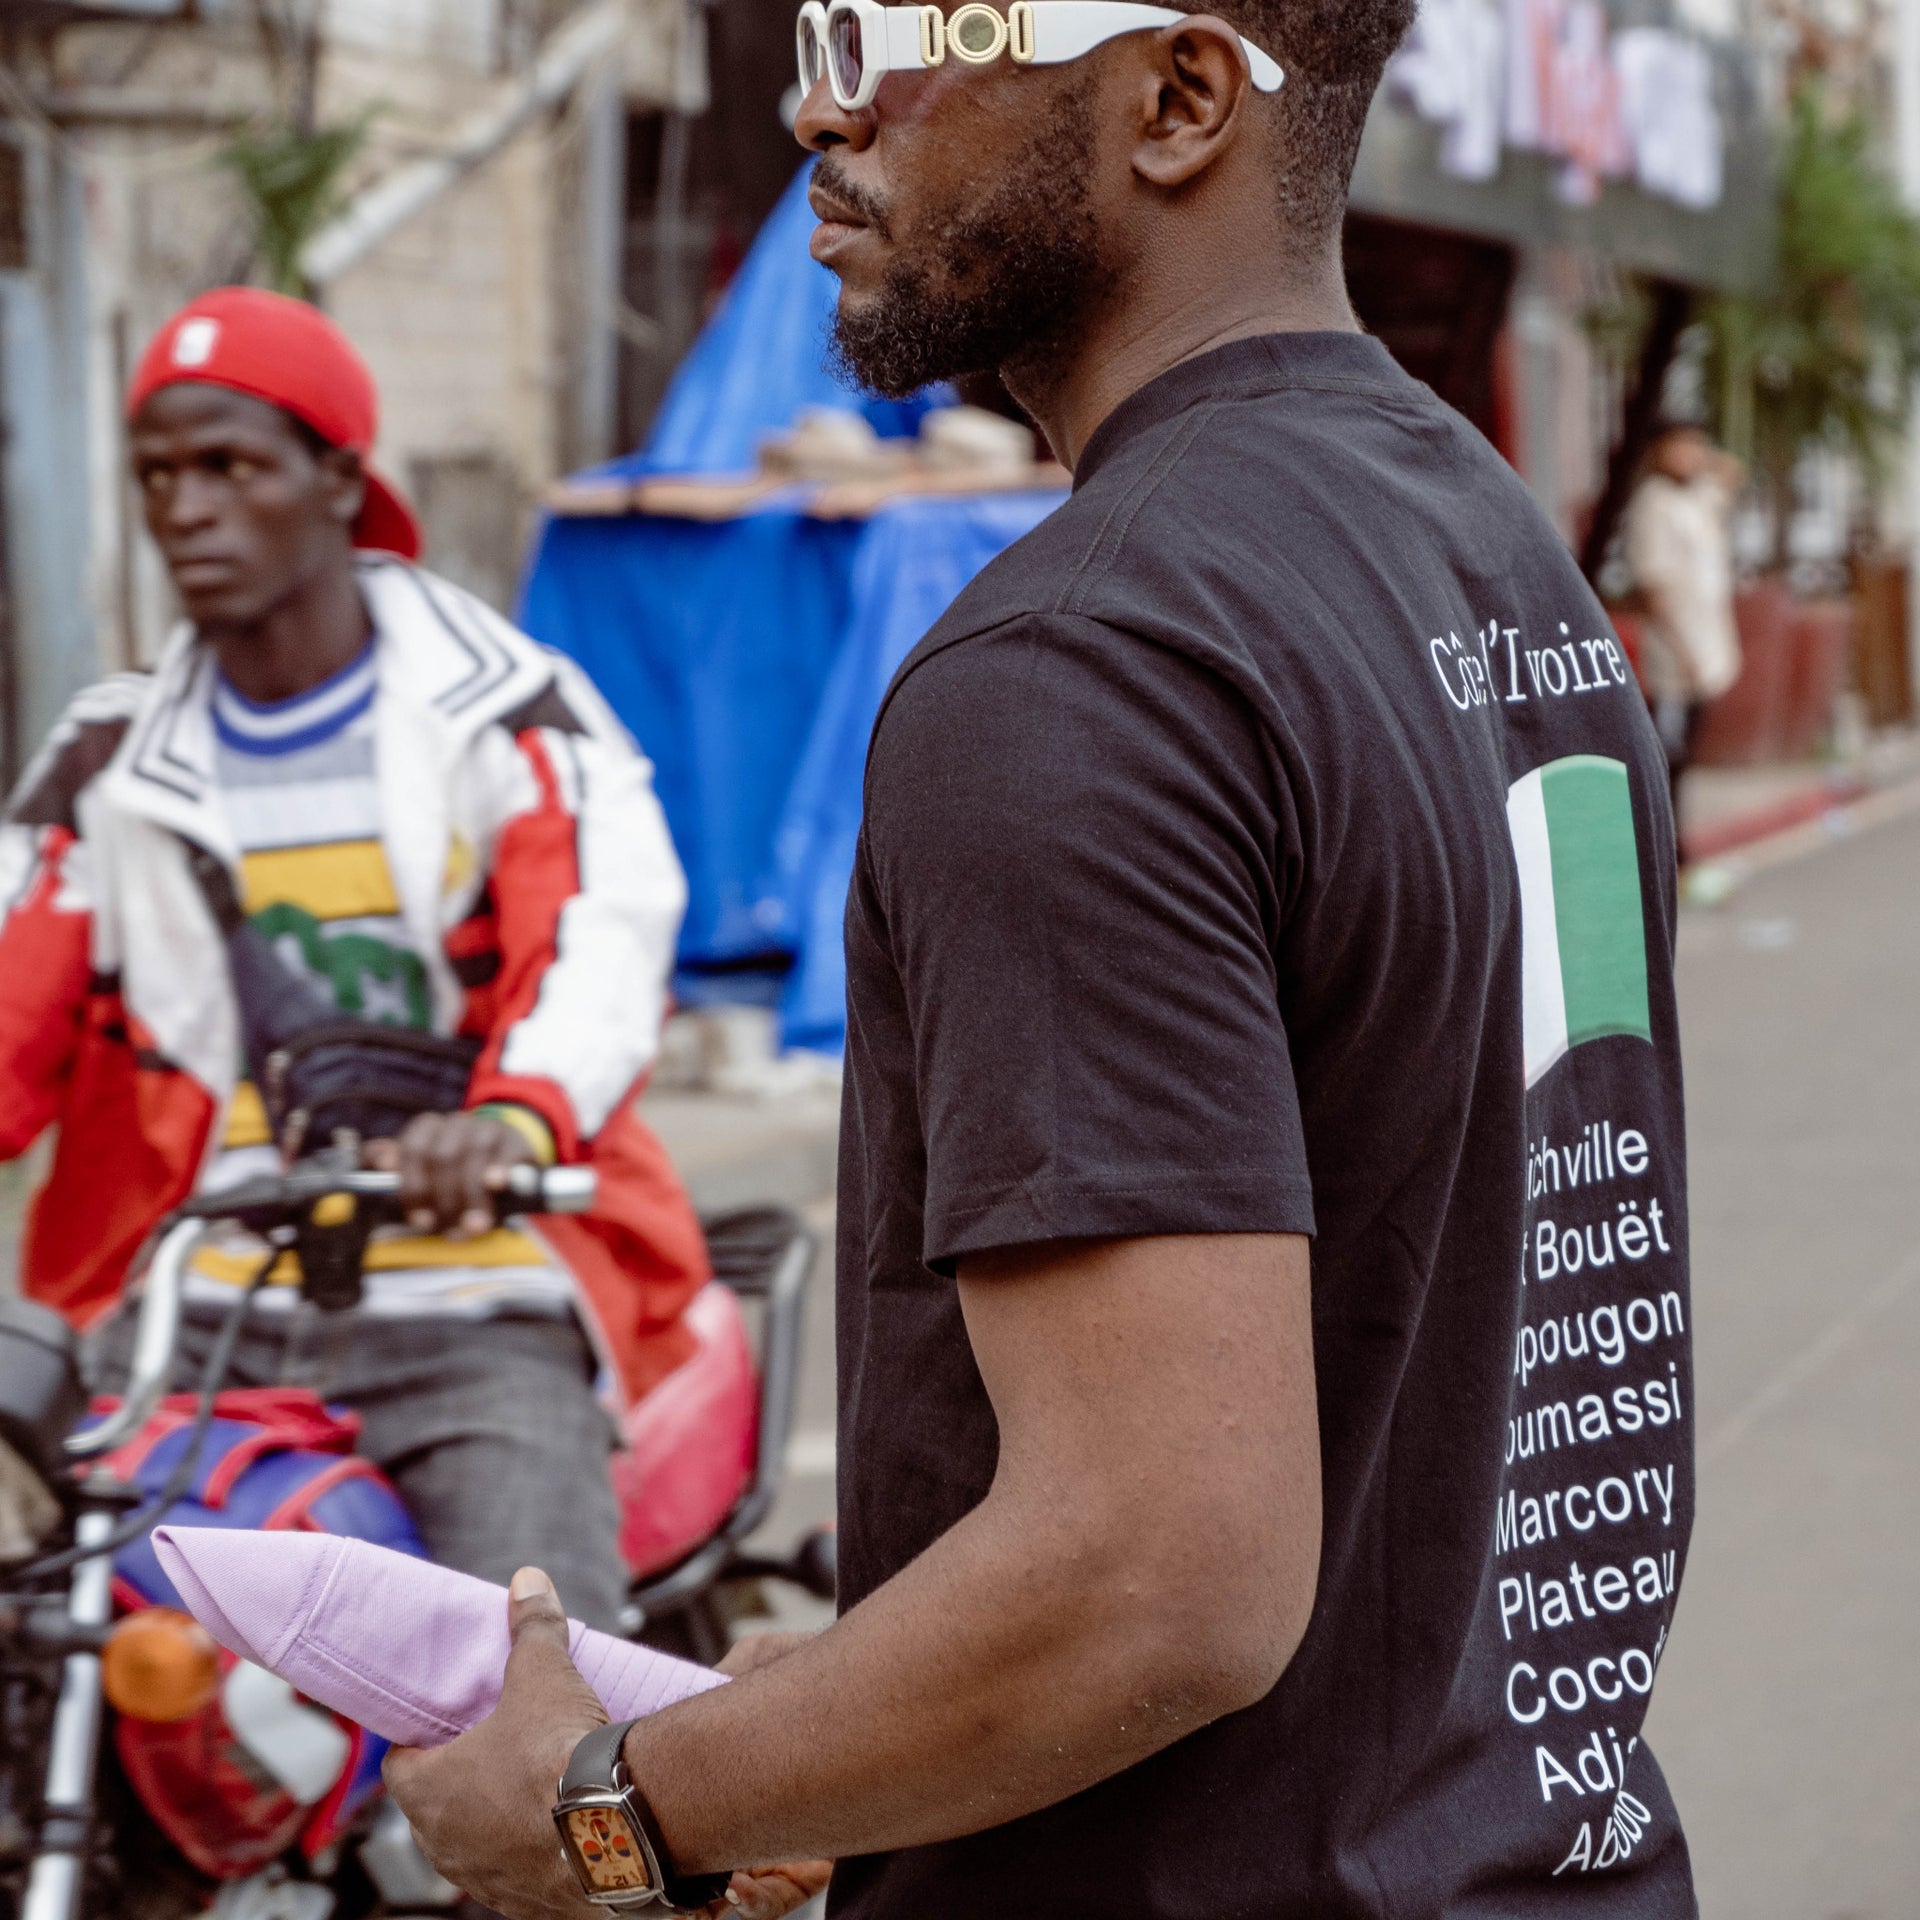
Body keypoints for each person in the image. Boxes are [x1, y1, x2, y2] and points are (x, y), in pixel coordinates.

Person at [390, 2, 1697, 1916]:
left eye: (906, 28)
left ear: (1175, 98)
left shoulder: (1080, 667)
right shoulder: (1498, 556)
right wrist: (852, 1725)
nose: (824, 98)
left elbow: (1159, 1576)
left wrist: (620, 1802)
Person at [0, 287, 709, 1632]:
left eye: (232, 466)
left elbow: (600, 939)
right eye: (160, 475)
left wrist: (508, 1119)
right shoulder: (105, 757)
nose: (187, 509)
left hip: (470, 1301)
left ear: (338, 480)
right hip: (193, 1311)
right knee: (59, 1660)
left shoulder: (510, 717)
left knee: (548, 1709)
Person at [1624, 420, 1746, 836]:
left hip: (1707, 644)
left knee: (1688, 750)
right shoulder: (1653, 503)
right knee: (1668, 753)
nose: (1691, 454)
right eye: (1682, 446)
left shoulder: (1698, 497)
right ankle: (1664, 840)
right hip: (1676, 655)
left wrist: (1703, 457)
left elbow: (1733, 473)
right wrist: (1684, 651)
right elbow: (1653, 590)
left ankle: (1677, 835)